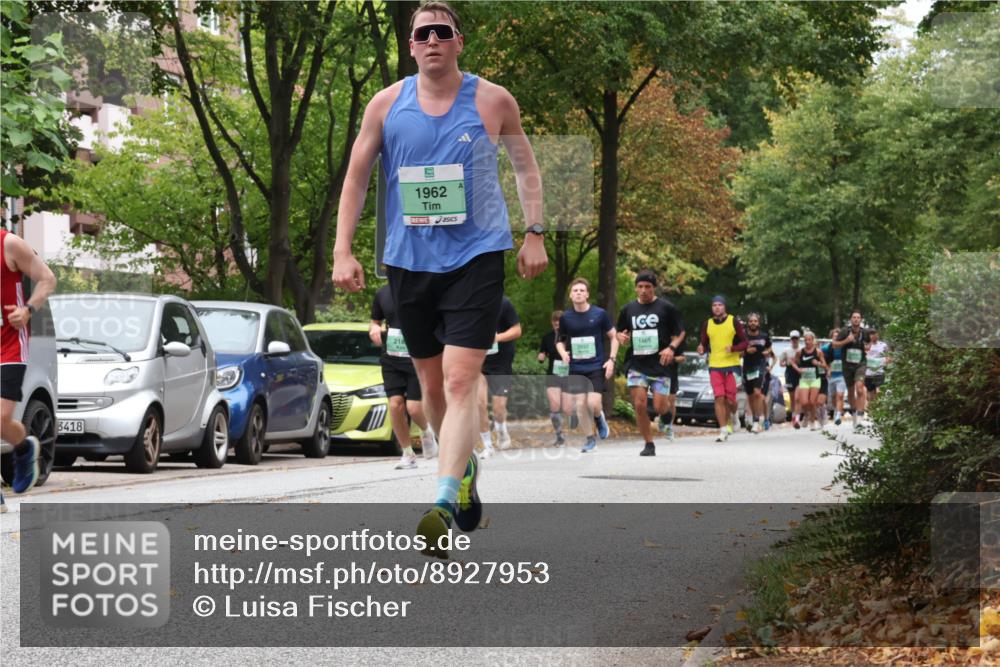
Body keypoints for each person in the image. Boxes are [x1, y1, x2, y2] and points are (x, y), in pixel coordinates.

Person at [331, 1, 548, 557]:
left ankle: (443, 501)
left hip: (477, 256)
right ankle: (465, 466)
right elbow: (356, 178)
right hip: (409, 261)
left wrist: (534, 232)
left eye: (441, 32)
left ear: (458, 41)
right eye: (422, 32)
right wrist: (343, 250)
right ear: (411, 46)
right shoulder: (386, 105)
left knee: (458, 380)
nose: (432, 40)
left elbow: (525, 166)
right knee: (429, 388)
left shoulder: (493, 100)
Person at [1, 228, 57, 509]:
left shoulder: (9, 244)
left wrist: (27, 310)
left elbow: (48, 278)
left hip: (9, 345)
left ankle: (24, 448)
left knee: (0, 418)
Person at [616, 271, 685, 456]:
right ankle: (649, 444)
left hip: (661, 364)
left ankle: (666, 415)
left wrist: (671, 348)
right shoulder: (628, 309)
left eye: (648, 287)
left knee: (660, 406)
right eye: (640, 287)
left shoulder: (666, 308)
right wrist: (621, 337)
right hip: (637, 363)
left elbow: (680, 332)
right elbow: (619, 331)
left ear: (654, 288)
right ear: (636, 288)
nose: (644, 290)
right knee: (639, 404)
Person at [369, 285, 438, 470]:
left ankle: (427, 431)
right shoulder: (383, 293)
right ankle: (408, 454)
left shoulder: (422, 289)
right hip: (391, 357)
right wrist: (374, 329)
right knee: (395, 405)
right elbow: (375, 321)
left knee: (414, 408)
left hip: (417, 357)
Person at [556, 278, 617, 453]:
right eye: (575, 290)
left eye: (582, 290)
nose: (579, 293)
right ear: (570, 295)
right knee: (580, 405)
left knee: (593, 403)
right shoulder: (566, 318)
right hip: (576, 368)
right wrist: (563, 353)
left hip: (595, 366)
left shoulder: (599, 314)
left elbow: (614, 337)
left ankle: (599, 417)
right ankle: (590, 440)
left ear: (587, 294)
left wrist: (611, 360)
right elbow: (560, 341)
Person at [696, 295, 748, 442]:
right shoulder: (707, 324)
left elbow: (745, 342)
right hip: (715, 365)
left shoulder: (733, 321)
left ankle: (734, 415)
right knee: (719, 397)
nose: (717, 308)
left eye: (720, 305)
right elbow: (703, 343)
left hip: (732, 366)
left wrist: (733, 348)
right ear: (712, 308)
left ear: (724, 307)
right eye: (714, 305)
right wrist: (701, 348)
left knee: (730, 400)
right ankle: (723, 430)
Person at [478, 295, 521, 457]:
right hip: (477, 362)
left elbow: (517, 330)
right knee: (479, 404)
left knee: (498, 408)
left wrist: (497, 337)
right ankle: (487, 445)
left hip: (501, 362)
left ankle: (501, 430)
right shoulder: (468, 304)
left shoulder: (503, 303)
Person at [537, 310, 572, 446]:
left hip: (569, 374)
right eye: (555, 321)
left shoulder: (571, 336)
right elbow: (542, 353)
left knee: (567, 408)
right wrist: (541, 356)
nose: (557, 324)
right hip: (553, 374)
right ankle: (559, 436)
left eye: (560, 321)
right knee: (554, 406)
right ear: (552, 322)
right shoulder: (547, 337)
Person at [833, 310, 871, 430]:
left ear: (861, 320)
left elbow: (869, 344)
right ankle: (854, 413)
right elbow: (834, 344)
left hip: (860, 364)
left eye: (858, 317)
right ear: (851, 319)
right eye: (854, 317)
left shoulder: (865, 332)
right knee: (850, 392)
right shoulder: (845, 331)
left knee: (859, 389)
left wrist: (867, 346)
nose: (856, 319)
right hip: (847, 366)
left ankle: (860, 416)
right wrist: (847, 341)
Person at [741, 312, 771, 434]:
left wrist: (767, 352)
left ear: (758, 323)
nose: (753, 323)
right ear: (748, 323)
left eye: (755, 321)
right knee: (750, 395)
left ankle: (757, 420)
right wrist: (746, 351)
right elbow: (738, 353)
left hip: (760, 365)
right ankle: (753, 417)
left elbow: (769, 348)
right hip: (747, 367)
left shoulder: (764, 336)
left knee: (757, 392)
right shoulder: (743, 336)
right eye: (751, 321)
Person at [791, 331, 827, 431]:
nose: (807, 342)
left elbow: (825, 365)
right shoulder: (800, 352)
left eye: (809, 340)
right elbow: (793, 362)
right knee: (804, 402)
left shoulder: (818, 352)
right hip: (804, 380)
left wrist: (818, 363)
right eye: (805, 340)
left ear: (813, 340)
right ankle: (807, 415)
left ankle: (812, 422)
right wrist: (798, 369)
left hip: (815, 379)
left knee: (812, 402)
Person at [821, 328, 847, 425]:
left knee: (840, 395)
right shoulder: (826, 348)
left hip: (842, 375)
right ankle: (836, 409)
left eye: (838, 337)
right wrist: (827, 368)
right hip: (831, 376)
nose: (836, 338)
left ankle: (838, 415)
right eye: (834, 336)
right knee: (832, 397)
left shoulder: (844, 348)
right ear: (831, 337)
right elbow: (820, 357)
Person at [780, 330, 802, 417]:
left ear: (798, 339)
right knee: (792, 395)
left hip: (799, 372)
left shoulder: (802, 349)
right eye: (793, 338)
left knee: (798, 396)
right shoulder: (786, 350)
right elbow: (781, 363)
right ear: (790, 339)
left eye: (796, 338)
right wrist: (787, 363)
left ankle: (798, 414)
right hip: (789, 373)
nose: (794, 340)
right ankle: (793, 414)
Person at [864, 328, 889, 399]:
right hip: (868, 374)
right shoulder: (865, 346)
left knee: (879, 392)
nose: (873, 336)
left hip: (879, 372)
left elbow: (889, 357)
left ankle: (879, 405)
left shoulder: (883, 345)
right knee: (870, 396)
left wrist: (886, 362)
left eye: (875, 333)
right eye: (871, 334)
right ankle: (872, 406)